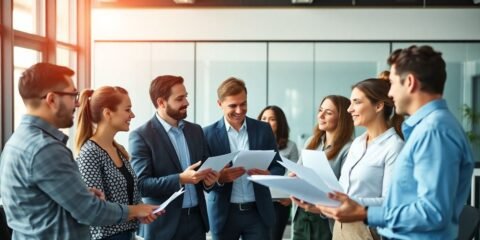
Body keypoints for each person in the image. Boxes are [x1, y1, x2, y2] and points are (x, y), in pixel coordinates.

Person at [297, 45, 475, 240]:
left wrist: (364, 212)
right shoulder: (425, 129)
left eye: (391, 83)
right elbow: (406, 201)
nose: (389, 93)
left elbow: (433, 213)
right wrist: (326, 205)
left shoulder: (434, 131)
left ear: (409, 82)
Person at [0, 63, 159, 239]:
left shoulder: (17, 142)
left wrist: (81, 194)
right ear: (52, 100)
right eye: (72, 95)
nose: (77, 104)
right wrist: (135, 210)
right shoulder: (46, 149)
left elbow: (37, 205)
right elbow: (89, 212)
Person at [129, 75, 218, 240]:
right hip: (163, 225)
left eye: (186, 96)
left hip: (197, 222)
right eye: (180, 98)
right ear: (161, 102)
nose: (186, 102)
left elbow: (204, 174)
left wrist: (209, 181)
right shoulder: (141, 136)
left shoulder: (196, 131)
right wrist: (180, 179)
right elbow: (142, 185)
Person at [203, 77, 285, 240]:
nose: (239, 110)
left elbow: (278, 166)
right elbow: (204, 184)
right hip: (224, 215)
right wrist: (220, 179)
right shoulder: (207, 135)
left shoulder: (263, 129)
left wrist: (268, 175)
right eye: (233, 105)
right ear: (220, 104)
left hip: (258, 213)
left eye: (243, 104)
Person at [75, 86, 153, 240]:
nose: (132, 115)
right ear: (108, 113)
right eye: (127, 109)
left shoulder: (119, 150)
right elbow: (95, 209)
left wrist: (142, 211)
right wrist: (136, 210)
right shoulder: (90, 153)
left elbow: (130, 192)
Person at [292, 95, 354, 240]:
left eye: (328, 112)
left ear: (342, 118)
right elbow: (298, 171)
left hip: (325, 218)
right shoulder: (311, 142)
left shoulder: (349, 148)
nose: (321, 115)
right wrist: (294, 176)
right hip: (302, 213)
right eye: (320, 110)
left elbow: (344, 190)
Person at [258, 105, 299, 240]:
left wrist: (289, 196)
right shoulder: (254, 143)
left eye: (272, 119)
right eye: (264, 118)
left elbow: (294, 174)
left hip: (279, 202)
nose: (267, 122)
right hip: (257, 200)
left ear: (279, 123)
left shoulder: (291, 146)